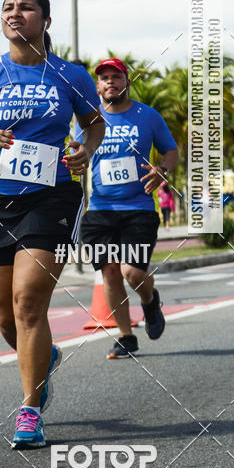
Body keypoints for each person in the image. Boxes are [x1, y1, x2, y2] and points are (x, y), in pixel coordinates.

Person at [0, 0, 105, 449]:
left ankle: (29, 411)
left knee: (28, 302)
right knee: (5, 318)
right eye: (8, 7)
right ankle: (45, 356)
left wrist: (85, 151)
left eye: (26, 7)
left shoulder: (70, 75)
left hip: (51, 198)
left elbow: (94, 123)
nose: (16, 13)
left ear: (45, 21)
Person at [79, 57, 179, 359]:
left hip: (138, 207)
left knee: (132, 272)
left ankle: (150, 300)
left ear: (127, 83)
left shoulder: (147, 116)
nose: (110, 82)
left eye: (116, 77)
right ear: (98, 86)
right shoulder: (88, 121)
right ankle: (126, 337)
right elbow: (76, 153)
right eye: (104, 78)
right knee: (109, 273)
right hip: (100, 209)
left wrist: (162, 169)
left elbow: (171, 151)